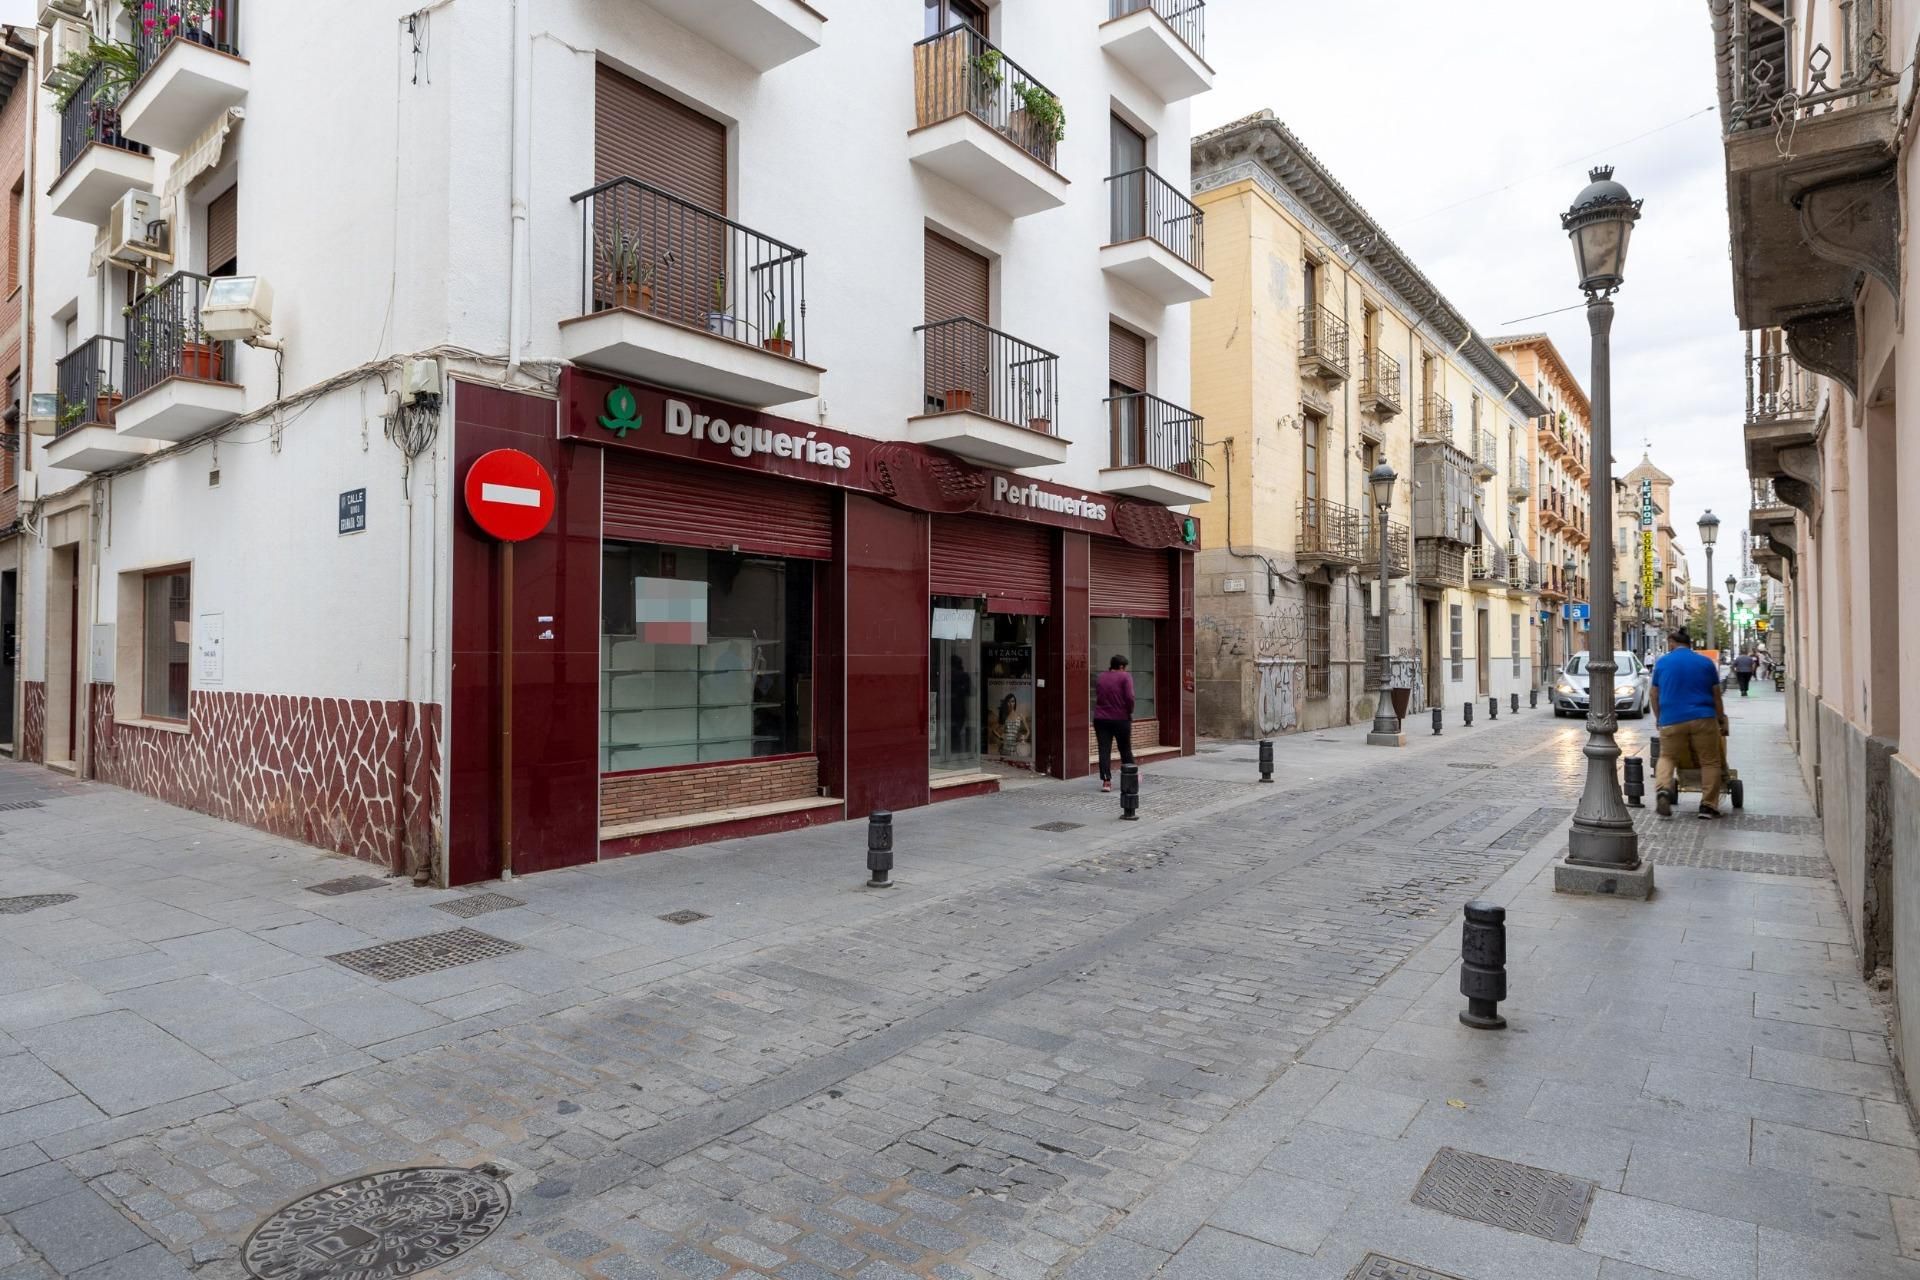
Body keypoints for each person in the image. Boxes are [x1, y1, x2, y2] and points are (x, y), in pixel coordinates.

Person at [1650, 628, 1730, 819]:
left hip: (1671, 719)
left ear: (1672, 643)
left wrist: (1659, 718)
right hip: (1703, 717)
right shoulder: (1705, 663)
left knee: (1667, 757)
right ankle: (1708, 806)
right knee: (1710, 761)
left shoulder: (1662, 663)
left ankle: (1663, 790)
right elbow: (1716, 695)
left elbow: (1654, 694)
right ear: (1689, 644)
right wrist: (1721, 719)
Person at [1093, 654, 1136, 794]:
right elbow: (1130, 697)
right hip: (1120, 718)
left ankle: (1106, 781)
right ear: (1122, 667)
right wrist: (1129, 712)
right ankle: (1130, 779)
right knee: (1125, 749)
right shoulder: (1125, 677)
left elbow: (1098, 695)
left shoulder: (1101, 677)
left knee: (1104, 749)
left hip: (1101, 719)